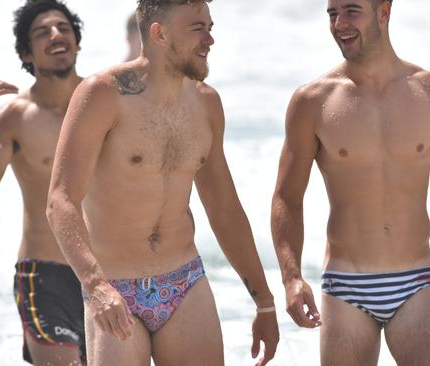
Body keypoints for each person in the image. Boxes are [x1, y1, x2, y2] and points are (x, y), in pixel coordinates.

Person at [271, 0, 430, 364]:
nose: (339, 24)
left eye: (351, 11)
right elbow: (288, 196)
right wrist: (291, 277)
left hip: (416, 282)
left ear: (384, 11)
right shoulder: (313, 101)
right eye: (332, 14)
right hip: (345, 286)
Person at [46, 1, 279, 365]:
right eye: (198, 29)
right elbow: (61, 200)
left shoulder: (206, 104)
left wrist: (264, 302)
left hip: (184, 282)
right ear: (159, 33)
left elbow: (224, 209)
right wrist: (96, 286)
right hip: (115, 288)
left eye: (210, 26)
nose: (210, 39)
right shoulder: (102, 94)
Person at [0, 0, 87, 364]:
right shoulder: (16, 117)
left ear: (77, 42)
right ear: (26, 54)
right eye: (42, 32)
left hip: (110, 270)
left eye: (63, 28)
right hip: (44, 275)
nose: (55, 35)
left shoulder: (104, 103)